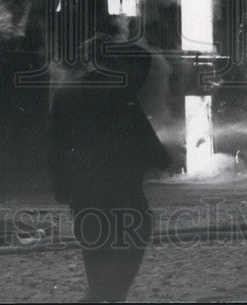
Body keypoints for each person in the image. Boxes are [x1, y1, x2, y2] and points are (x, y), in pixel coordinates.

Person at [49, 20, 171, 302]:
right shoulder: (119, 87)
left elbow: (56, 147)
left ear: (86, 60)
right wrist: (113, 47)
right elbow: (143, 57)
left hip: (84, 189)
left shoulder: (66, 94)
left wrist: (61, 187)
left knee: (95, 250)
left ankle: (100, 295)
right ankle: (104, 296)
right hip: (122, 185)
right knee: (134, 237)